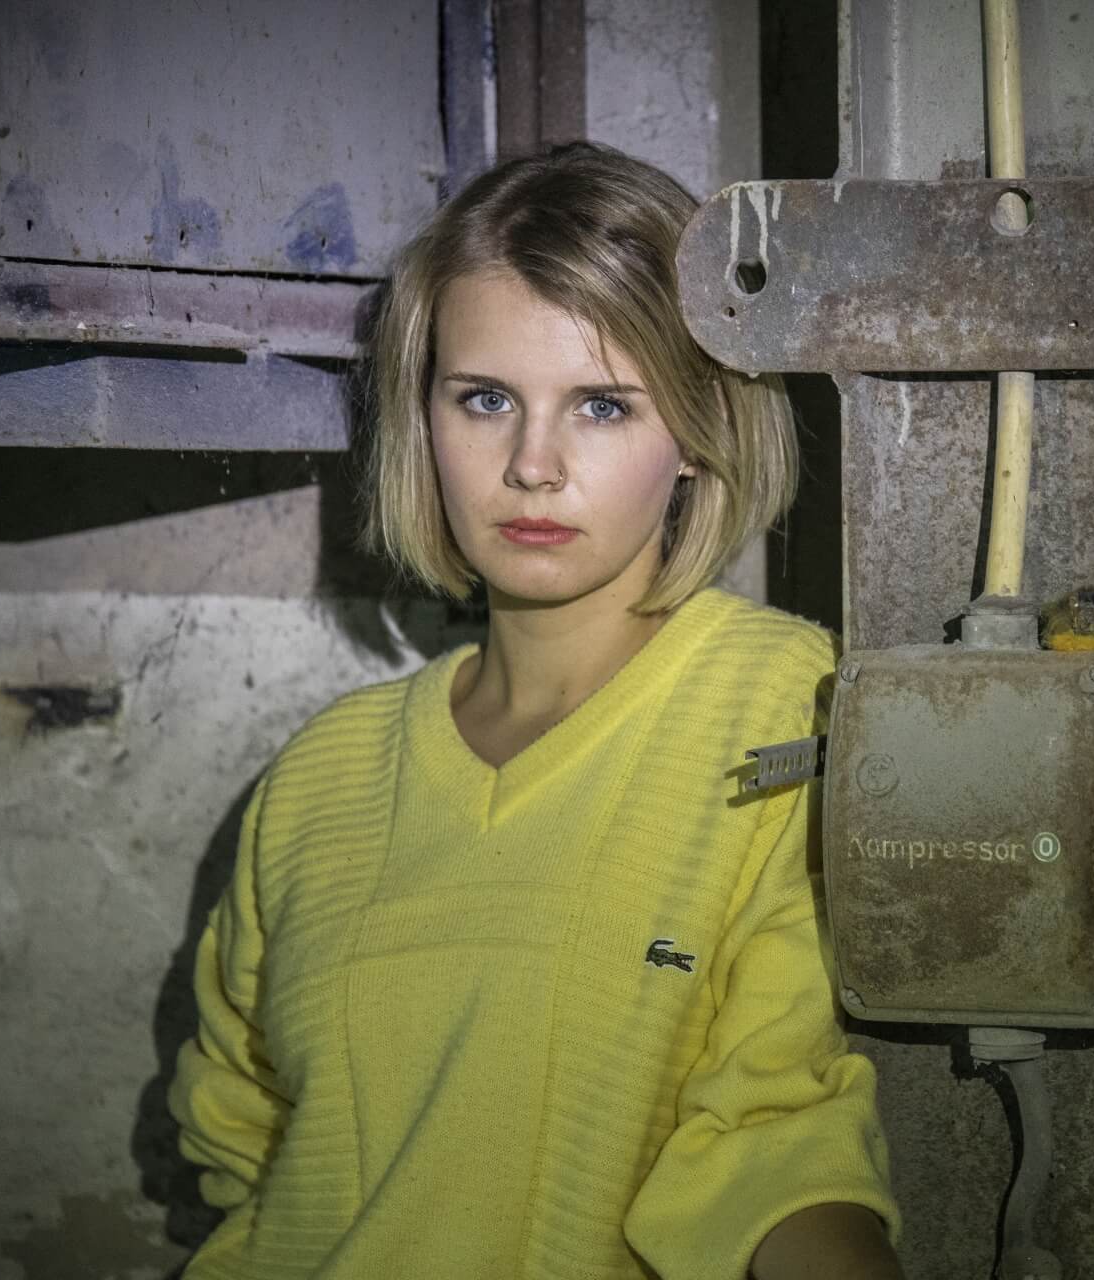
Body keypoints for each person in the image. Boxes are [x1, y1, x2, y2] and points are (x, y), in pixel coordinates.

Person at [169, 142, 901, 1279]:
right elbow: (235, 1136)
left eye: (602, 405)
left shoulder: (783, 703)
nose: (532, 465)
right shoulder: (321, 774)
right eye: (486, 399)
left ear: (698, 432)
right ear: (423, 418)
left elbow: (774, 1132)